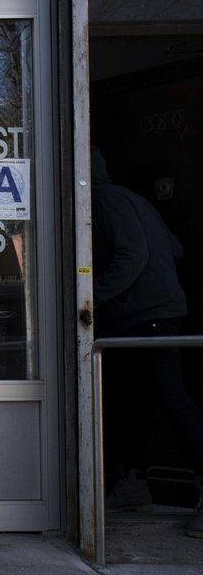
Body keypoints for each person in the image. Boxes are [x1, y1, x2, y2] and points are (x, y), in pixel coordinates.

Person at [91, 146, 203, 537]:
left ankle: (135, 483)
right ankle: (131, 484)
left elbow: (133, 254)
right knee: (127, 399)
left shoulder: (104, 201)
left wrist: (96, 295)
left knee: (168, 396)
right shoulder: (134, 200)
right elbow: (175, 248)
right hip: (156, 313)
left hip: (144, 316)